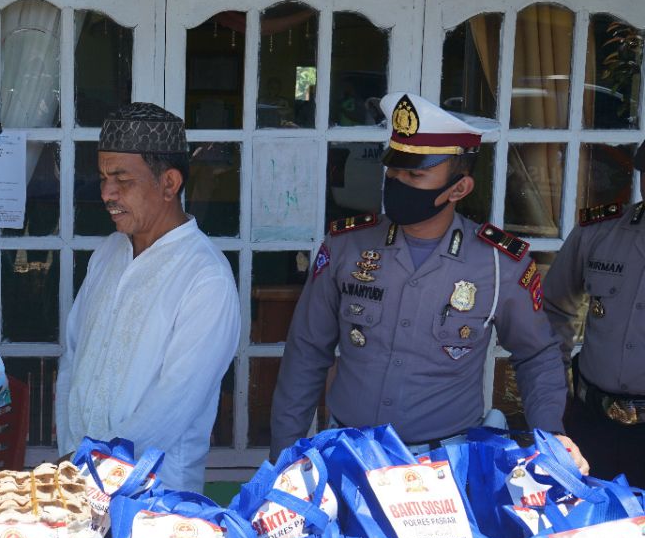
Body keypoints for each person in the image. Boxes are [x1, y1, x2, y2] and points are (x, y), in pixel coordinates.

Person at [269, 91, 588, 470]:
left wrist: (551, 439)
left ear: (459, 188)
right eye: (394, 170)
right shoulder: (346, 246)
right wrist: (284, 457)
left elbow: (536, 355)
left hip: (445, 465)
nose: (397, 182)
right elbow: (306, 351)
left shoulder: (499, 263)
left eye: (415, 174)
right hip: (349, 455)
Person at [54, 102, 240, 493]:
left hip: (156, 499)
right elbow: (74, 357)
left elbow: (172, 405)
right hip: (78, 484)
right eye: (104, 177)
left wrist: (89, 467)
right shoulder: (108, 253)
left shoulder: (205, 277)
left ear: (169, 184)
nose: (107, 192)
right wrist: (72, 454)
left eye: (122, 179)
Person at [542, 141, 645, 487]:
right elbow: (554, 310)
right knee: (580, 532)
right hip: (591, 424)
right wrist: (555, 396)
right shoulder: (599, 233)